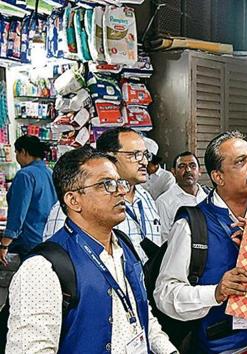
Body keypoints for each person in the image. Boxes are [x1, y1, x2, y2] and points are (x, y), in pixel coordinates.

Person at [6, 146, 176, 354]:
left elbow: (142, 317)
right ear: (73, 200)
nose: (121, 191)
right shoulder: (42, 269)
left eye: (119, 183)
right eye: (107, 184)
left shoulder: (124, 246)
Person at [154, 131, 247, 353]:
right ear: (218, 177)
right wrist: (216, 292)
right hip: (218, 345)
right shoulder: (192, 225)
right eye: (240, 161)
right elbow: (165, 294)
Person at [42, 128, 163, 262]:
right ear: (108, 157)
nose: (144, 162)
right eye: (134, 154)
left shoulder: (146, 198)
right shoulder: (75, 203)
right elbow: (54, 260)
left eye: (145, 155)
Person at [1, 135, 56, 261]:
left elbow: (18, 212)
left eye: (16, 153)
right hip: (48, 238)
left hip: (30, 240)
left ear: (24, 152)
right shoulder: (49, 172)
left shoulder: (25, 175)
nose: (16, 157)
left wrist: (5, 244)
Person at [156, 151, 208, 243]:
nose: (188, 170)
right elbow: (164, 239)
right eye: (182, 166)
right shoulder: (164, 202)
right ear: (174, 172)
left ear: (200, 171)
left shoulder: (209, 197)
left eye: (192, 166)